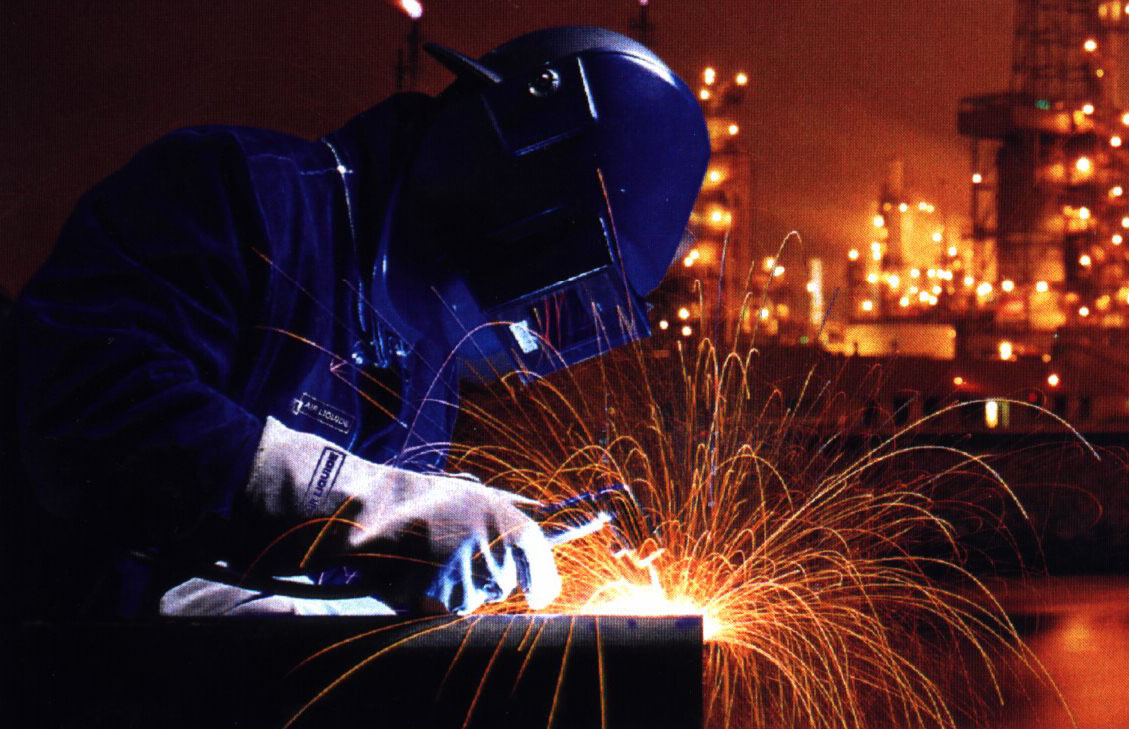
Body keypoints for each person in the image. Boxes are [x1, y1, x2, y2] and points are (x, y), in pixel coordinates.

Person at [2, 26, 709, 619]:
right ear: (513, 176)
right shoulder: (234, 193)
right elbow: (89, 407)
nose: (533, 318)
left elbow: (357, 563)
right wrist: (377, 507)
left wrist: (460, 545)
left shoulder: (429, 358)